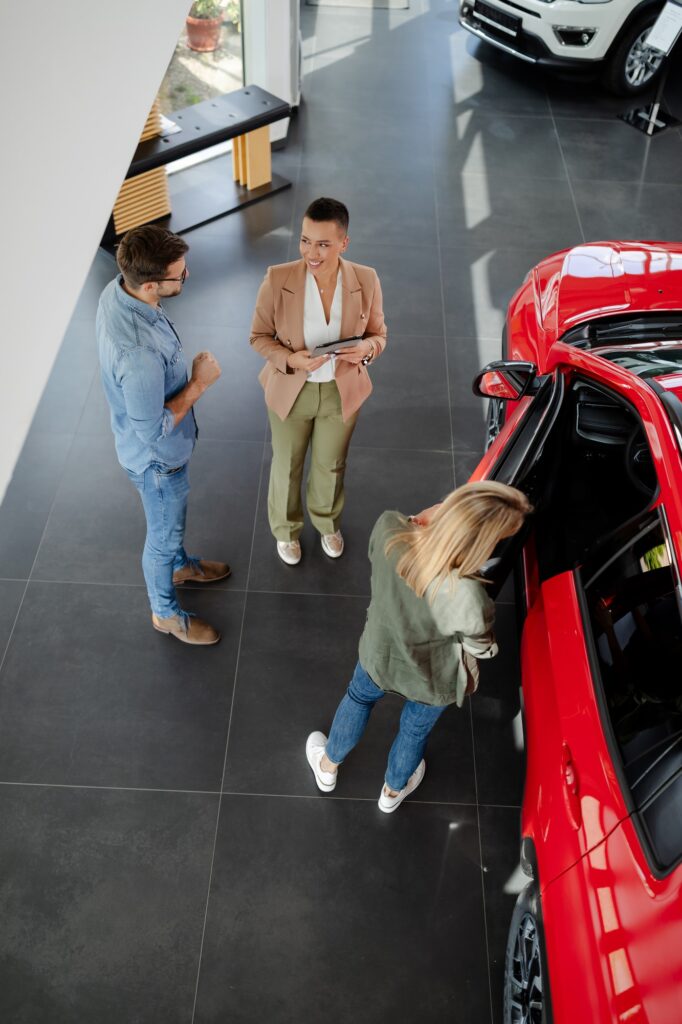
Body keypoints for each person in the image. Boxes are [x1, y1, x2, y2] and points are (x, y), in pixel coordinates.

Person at [305, 481, 532, 812]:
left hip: (379, 653)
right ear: (480, 545)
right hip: (433, 679)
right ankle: (392, 792)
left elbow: (405, 532)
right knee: (413, 732)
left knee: (358, 698)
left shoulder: (389, 530)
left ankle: (327, 767)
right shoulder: (469, 596)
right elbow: (482, 648)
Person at [96, 224, 229, 646]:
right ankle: (165, 613)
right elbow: (152, 429)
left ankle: (179, 565)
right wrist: (199, 383)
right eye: (179, 275)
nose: (186, 276)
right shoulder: (138, 356)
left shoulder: (118, 288)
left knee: (171, 528)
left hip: (153, 447)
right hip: (157, 461)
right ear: (151, 284)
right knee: (162, 535)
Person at [250, 197, 387, 566]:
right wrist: (290, 358)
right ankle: (286, 530)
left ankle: (327, 523)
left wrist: (367, 351)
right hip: (291, 390)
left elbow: (379, 334)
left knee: (331, 464)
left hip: (341, 392)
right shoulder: (278, 278)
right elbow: (258, 336)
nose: (312, 252)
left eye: (323, 244)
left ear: (344, 243)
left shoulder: (366, 279)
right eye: (305, 240)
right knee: (287, 463)